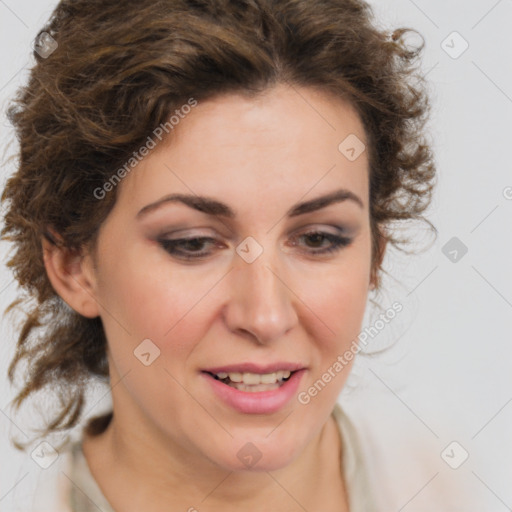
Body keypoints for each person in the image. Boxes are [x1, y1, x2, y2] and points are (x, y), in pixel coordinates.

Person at [1, 0, 442, 510]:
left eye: (319, 238)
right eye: (192, 243)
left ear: (374, 255)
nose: (265, 316)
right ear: (74, 266)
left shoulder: (446, 483)